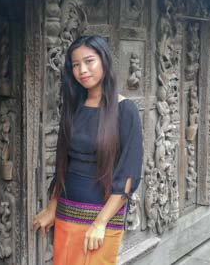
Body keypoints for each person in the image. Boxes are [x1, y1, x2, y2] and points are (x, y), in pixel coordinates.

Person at [32, 35, 143, 264]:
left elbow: (128, 176)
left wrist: (100, 223)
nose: (82, 69)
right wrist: (53, 207)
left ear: (104, 61)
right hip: (66, 214)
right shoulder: (74, 108)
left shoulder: (125, 111)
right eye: (75, 65)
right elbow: (64, 165)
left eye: (89, 61)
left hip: (101, 221)